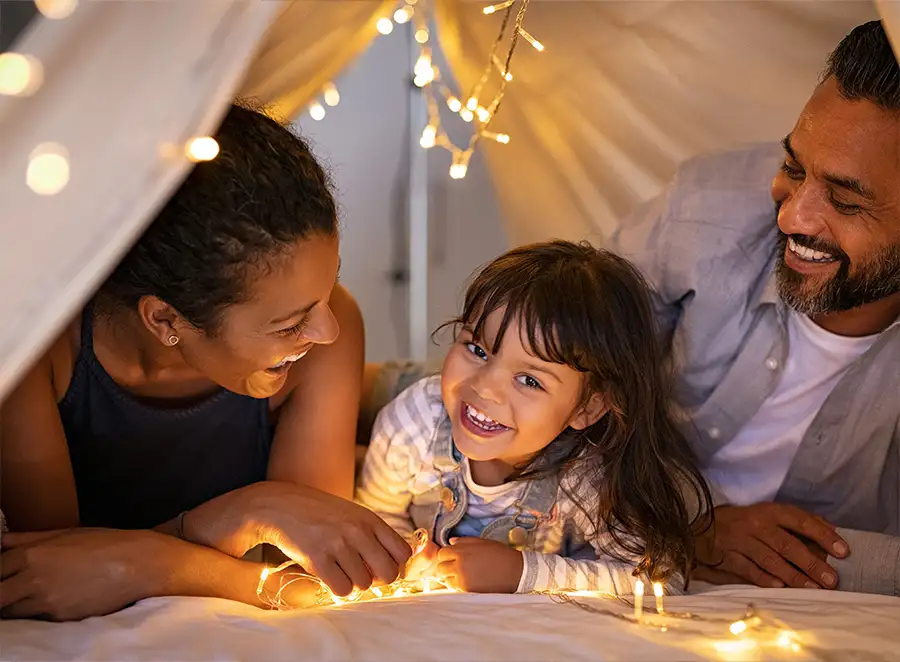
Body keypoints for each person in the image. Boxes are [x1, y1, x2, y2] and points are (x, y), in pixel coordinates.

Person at [0, 103, 410, 621]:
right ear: (166, 320)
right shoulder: (35, 346)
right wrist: (242, 513)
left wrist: (141, 562)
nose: (325, 330)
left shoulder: (331, 334)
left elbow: (309, 579)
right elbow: (47, 578)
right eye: (288, 324)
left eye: (327, 291)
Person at [609, 20, 900, 595]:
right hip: (632, 555)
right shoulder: (705, 204)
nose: (792, 216)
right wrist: (686, 527)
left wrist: (815, 560)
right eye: (793, 166)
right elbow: (563, 365)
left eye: (843, 200)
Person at [356, 241, 712, 594]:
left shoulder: (586, 473)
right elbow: (375, 522)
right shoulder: (414, 422)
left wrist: (523, 572)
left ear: (587, 408)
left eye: (529, 380)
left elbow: (659, 578)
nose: (486, 388)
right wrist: (406, 557)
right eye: (478, 350)